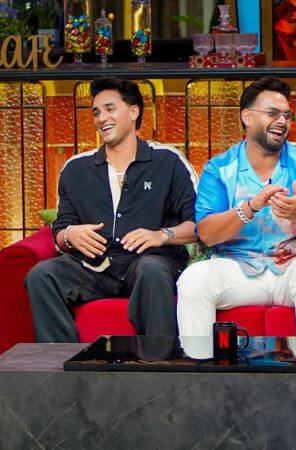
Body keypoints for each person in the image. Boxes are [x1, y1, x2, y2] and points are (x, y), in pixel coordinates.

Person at [25, 76, 198, 342]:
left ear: (133, 112)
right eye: (96, 112)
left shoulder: (168, 161)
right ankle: (60, 362)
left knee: (151, 268)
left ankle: (158, 361)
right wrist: (70, 235)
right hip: (94, 268)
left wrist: (162, 235)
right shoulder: (75, 169)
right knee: (42, 275)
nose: (101, 118)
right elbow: (60, 230)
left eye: (109, 109)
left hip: (148, 264)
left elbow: (199, 224)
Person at [176, 76, 296, 339]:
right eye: (272, 113)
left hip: (294, 268)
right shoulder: (219, 169)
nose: (282, 121)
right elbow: (207, 234)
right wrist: (249, 207)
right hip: (237, 268)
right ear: (247, 116)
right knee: (193, 280)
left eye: (287, 116)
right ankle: (202, 365)